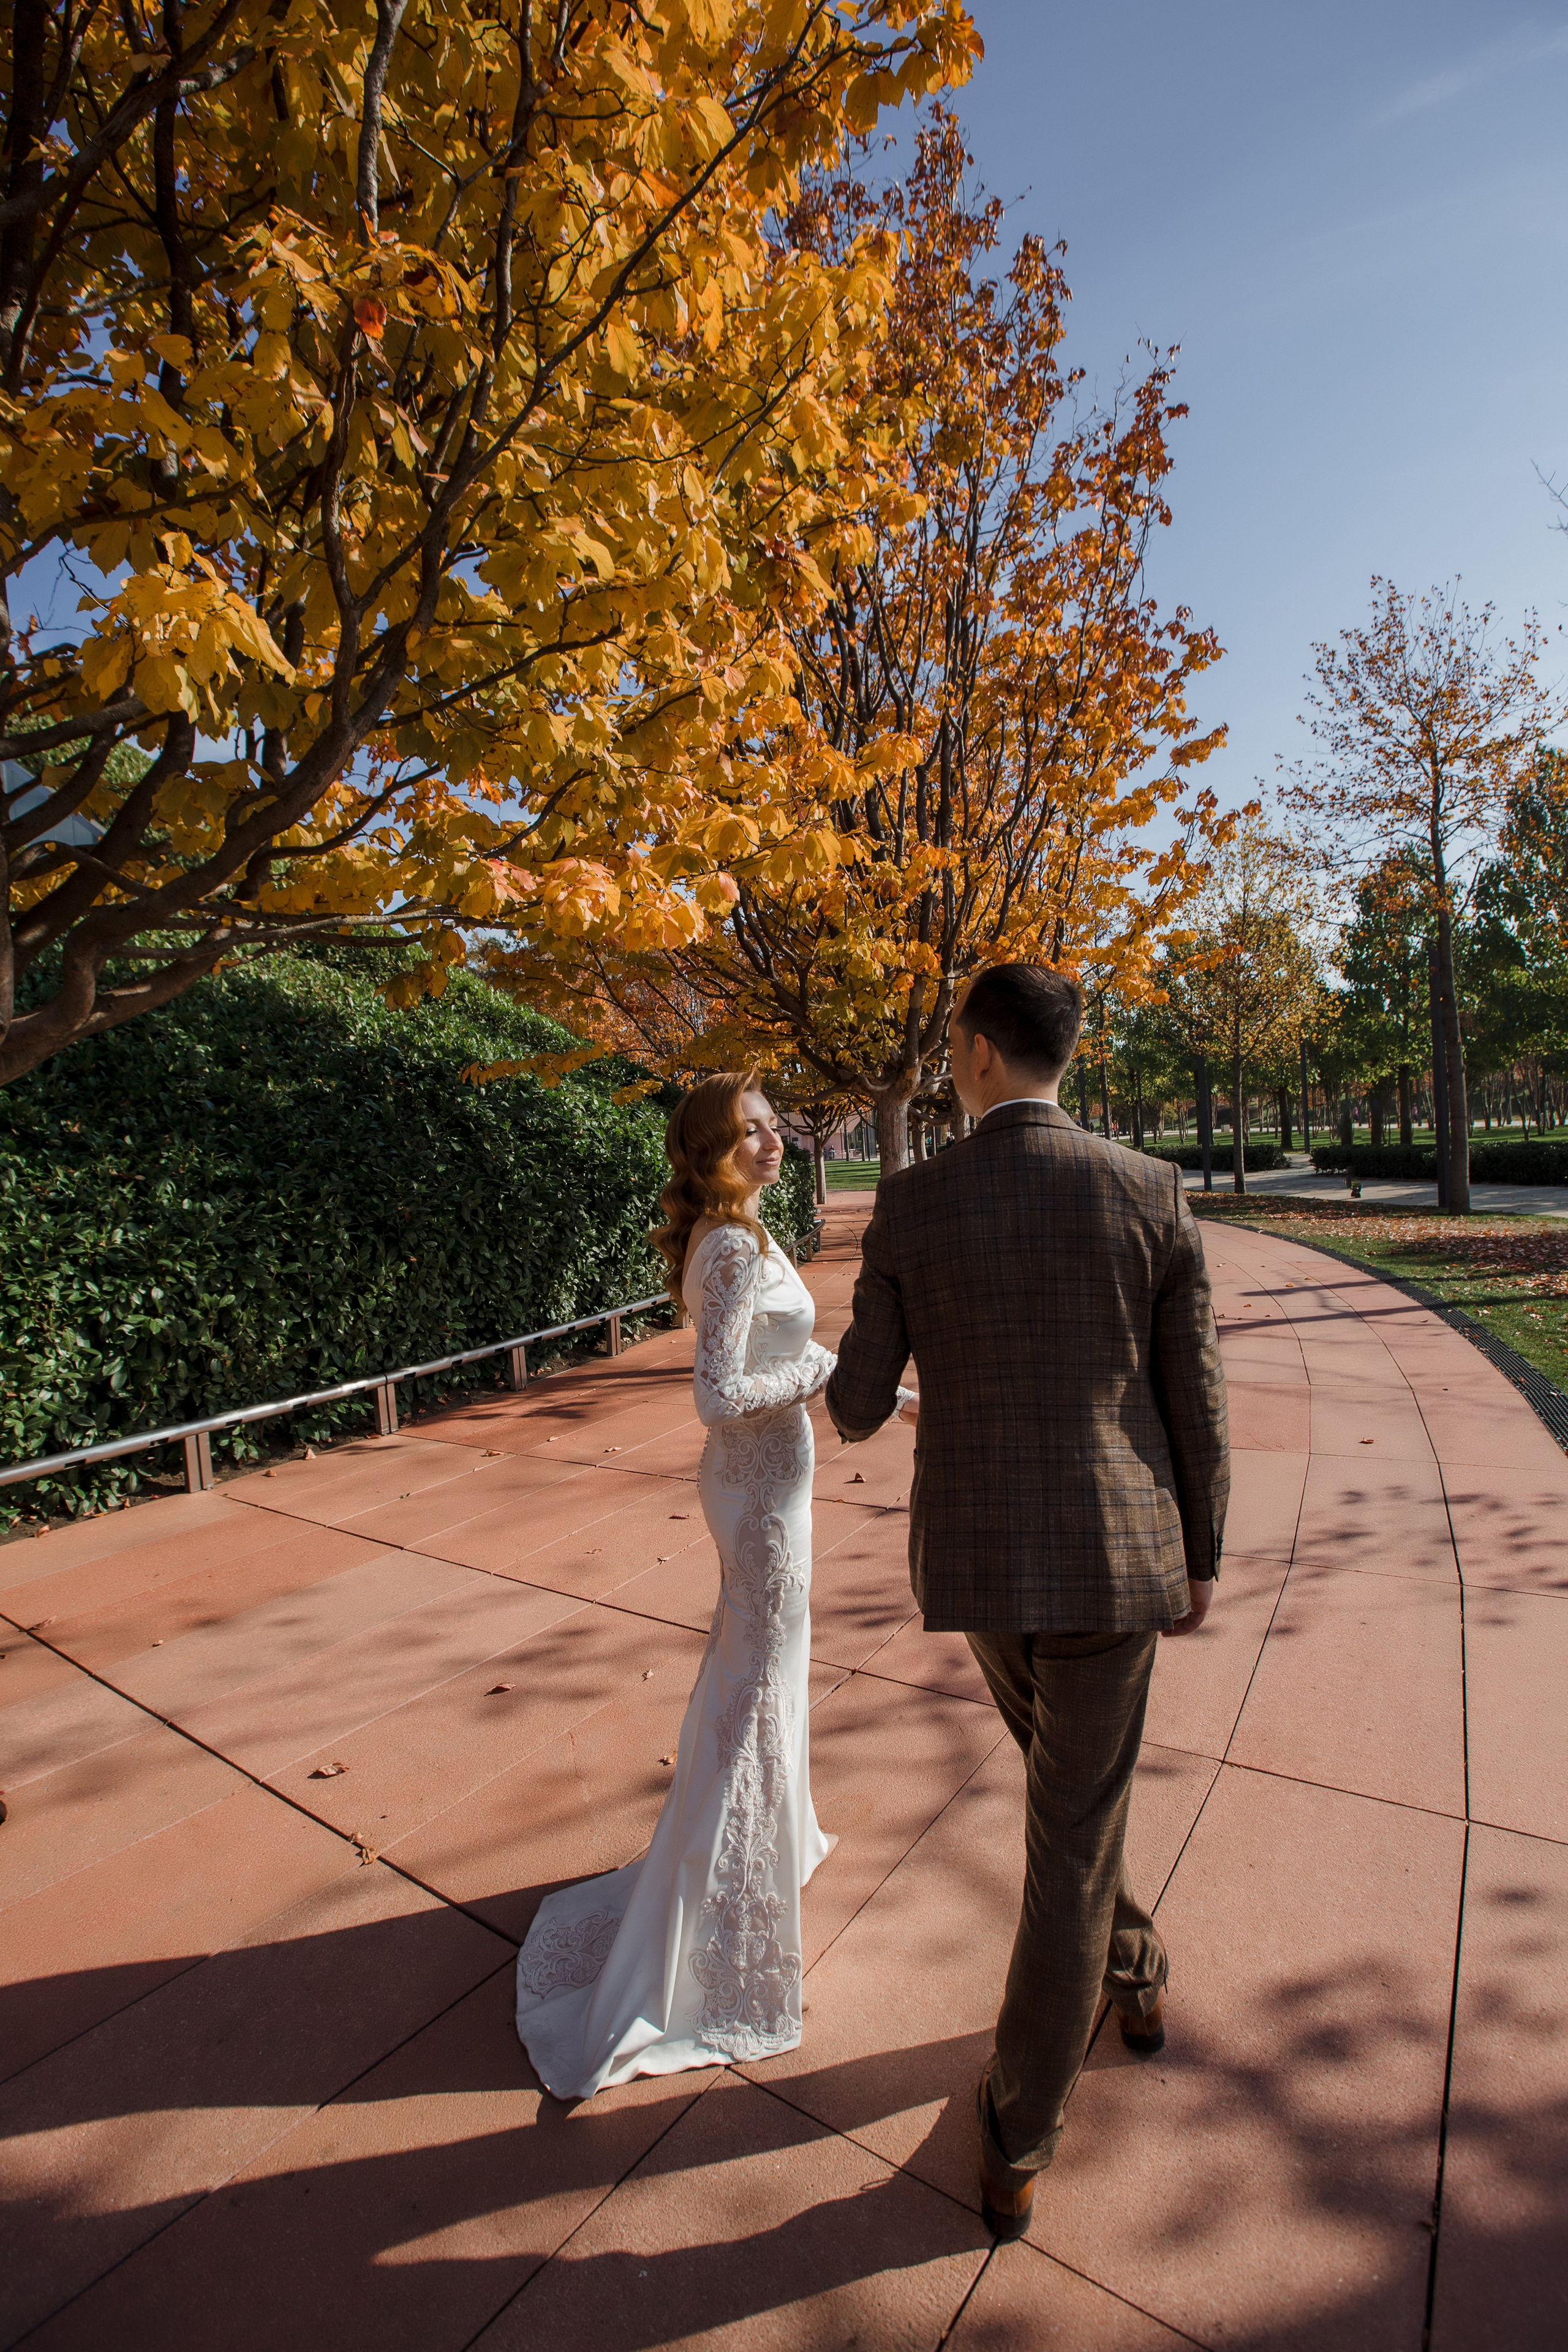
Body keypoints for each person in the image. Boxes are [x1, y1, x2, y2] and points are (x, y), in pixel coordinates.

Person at [824, 965, 1229, 2240]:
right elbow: (1196, 1396)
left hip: (983, 1564)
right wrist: (1202, 1552)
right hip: (1116, 1559)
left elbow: (854, 1405)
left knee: (1069, 1824)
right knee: (1075, 1820)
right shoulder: (1150, 1189)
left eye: (954, 1042)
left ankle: (1025, 2118)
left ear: (981, 1052)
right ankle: (1112, 2001)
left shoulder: (911, 1202)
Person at [515, 1073, 906, 2098]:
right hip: (757, 1493)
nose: (771, 1144)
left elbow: (777, 1350)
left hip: (770, 1485)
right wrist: (819, 1374)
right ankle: (719, 1909)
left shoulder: (741, 1230)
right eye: (748, 1134)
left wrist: (877, 1387)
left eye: (772, 1127)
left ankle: (765, 1848)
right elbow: (720, 1393)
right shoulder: (729, 1246)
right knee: (755, 1679)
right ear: (708, 1152)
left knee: (761, 1671)